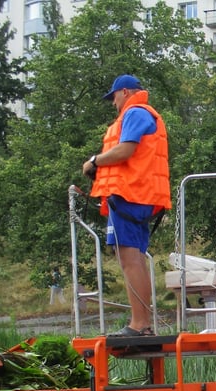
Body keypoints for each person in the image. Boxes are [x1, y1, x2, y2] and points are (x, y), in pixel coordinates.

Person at [82, 74, 171, 337]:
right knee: (133, 258)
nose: (113, 104)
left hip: (132, 195)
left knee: (129, 258)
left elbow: (125, 150)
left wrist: (94, 162)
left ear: (124, 92)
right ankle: (141, 323)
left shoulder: (135, 112)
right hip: (136, 195)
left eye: (114, 97)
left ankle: (140, 324)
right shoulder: (142, 113)